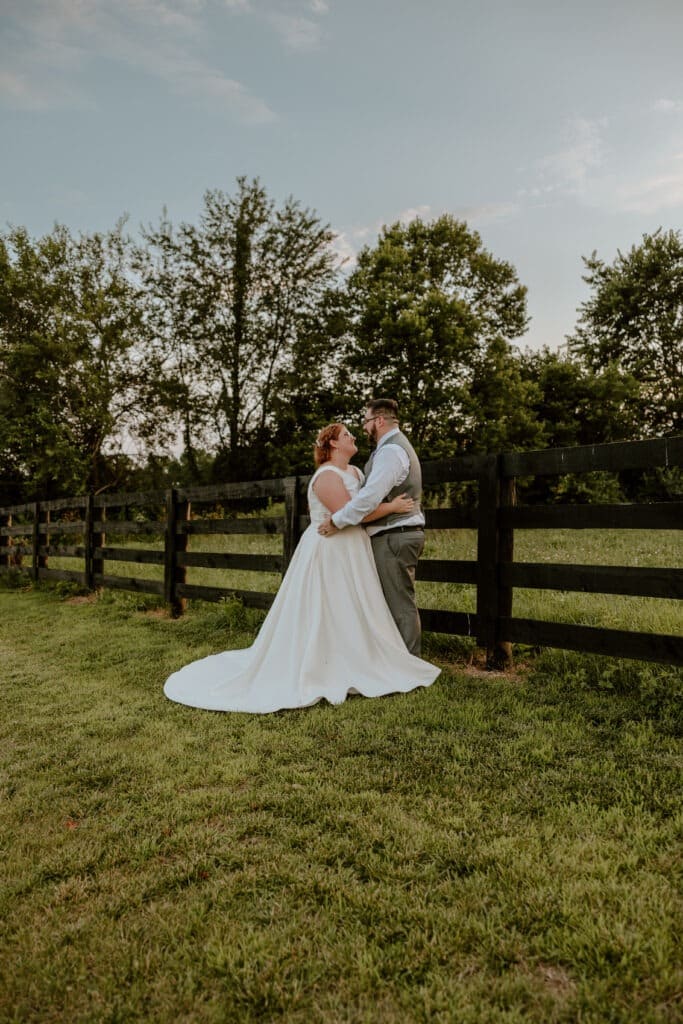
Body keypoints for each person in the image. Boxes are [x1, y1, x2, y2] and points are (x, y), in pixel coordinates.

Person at [163, 423, 440, 713]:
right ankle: (323, 664)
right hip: (330, 549)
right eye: (347, 435)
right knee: (329, 606)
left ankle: (362, 658)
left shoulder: (357, 472)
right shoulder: (326, 477)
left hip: (355, 549)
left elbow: (363, 505)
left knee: (357, 605)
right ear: (333, 444)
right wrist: (392, 508)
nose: (353, 437)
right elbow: (352, 515)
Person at [318, 399, 425, 655]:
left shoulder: (391, 452)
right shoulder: (388, 449)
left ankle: (410, 662)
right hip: (393, 534)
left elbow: (369, 498)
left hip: (395, 536)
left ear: (378, 421)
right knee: (391, 602)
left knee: (399, 603)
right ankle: (397, 660)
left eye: (366, 421)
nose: (363, 428)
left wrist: (337, 520)